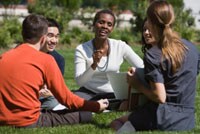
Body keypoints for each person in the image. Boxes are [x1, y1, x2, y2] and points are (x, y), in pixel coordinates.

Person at [0, 14, 109, 128]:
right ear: (43, 38)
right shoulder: (46, 59)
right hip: (28, 121)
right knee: (85, 114)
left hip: (2, 119)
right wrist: (96, 106)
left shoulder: (4, 57)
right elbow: (66, 99)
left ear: (22, 34)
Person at [110, 0, 200, 132]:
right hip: (187, 119)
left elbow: (160, 97)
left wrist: (137, 84)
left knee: (116, 122)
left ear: (151, 22)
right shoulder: (192, 48)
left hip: (162, 117)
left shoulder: (153, 54)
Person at [74, 9, 144, 101]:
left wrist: (133, 72)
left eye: (109, 24)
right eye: (101, 22)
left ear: (112, 29)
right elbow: (80, 81)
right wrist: (94, 65)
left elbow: (142, 67)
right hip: (88, 93)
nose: (105, 26)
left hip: (113, 94)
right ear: (94, 24)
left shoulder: (120, 46)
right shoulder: (82, 49)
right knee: (74, 101)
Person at [39, 18, 66, 110]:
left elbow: (58, 89)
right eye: (50, 36)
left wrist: (50, 93)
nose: (54, 41)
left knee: (54, 101)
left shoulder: (59, 59)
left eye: (57, 36)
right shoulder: (26, 53)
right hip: (25, 93)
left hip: (46, 97)